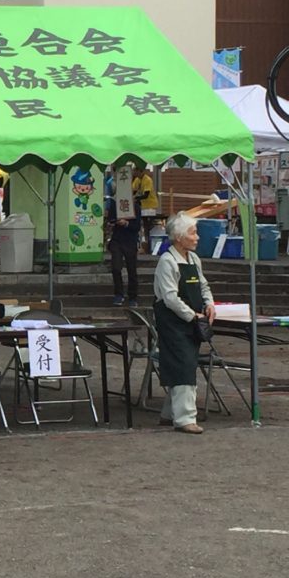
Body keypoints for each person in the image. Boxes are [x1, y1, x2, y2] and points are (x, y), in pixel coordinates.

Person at [153, 212, 216, 435]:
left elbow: (203, 286)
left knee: (183, 365)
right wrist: (192, 315)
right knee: (183, 366)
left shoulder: (194, 259)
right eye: (193, 233)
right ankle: (185, 419)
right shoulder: (167, 261)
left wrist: (209, 304)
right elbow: (170, 298)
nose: (197, 237)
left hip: (192, 321)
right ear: (179, 237)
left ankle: (168, 414)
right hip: (173, 322)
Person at [107, 193, 141, 307]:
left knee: (132, 269)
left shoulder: (136, 207)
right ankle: (118, 294)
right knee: (116, 268)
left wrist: (126, 223)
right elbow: (110, 219)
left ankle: (133, 297)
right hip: (117, 240)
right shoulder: (115, 205)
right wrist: (115, 221)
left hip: (130, 241)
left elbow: (137, 226)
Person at [133, 167, 159, 252]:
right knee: (144, 224)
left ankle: (150, 243)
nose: (134, 173)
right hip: (143, 206)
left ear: (141, 171)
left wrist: (136, 198)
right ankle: (146, 243)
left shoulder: (147, 180)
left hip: (150, 206)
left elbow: (146, 195)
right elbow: (133, 190)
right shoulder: (137, 180)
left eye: (135, 171)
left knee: (149, 225)